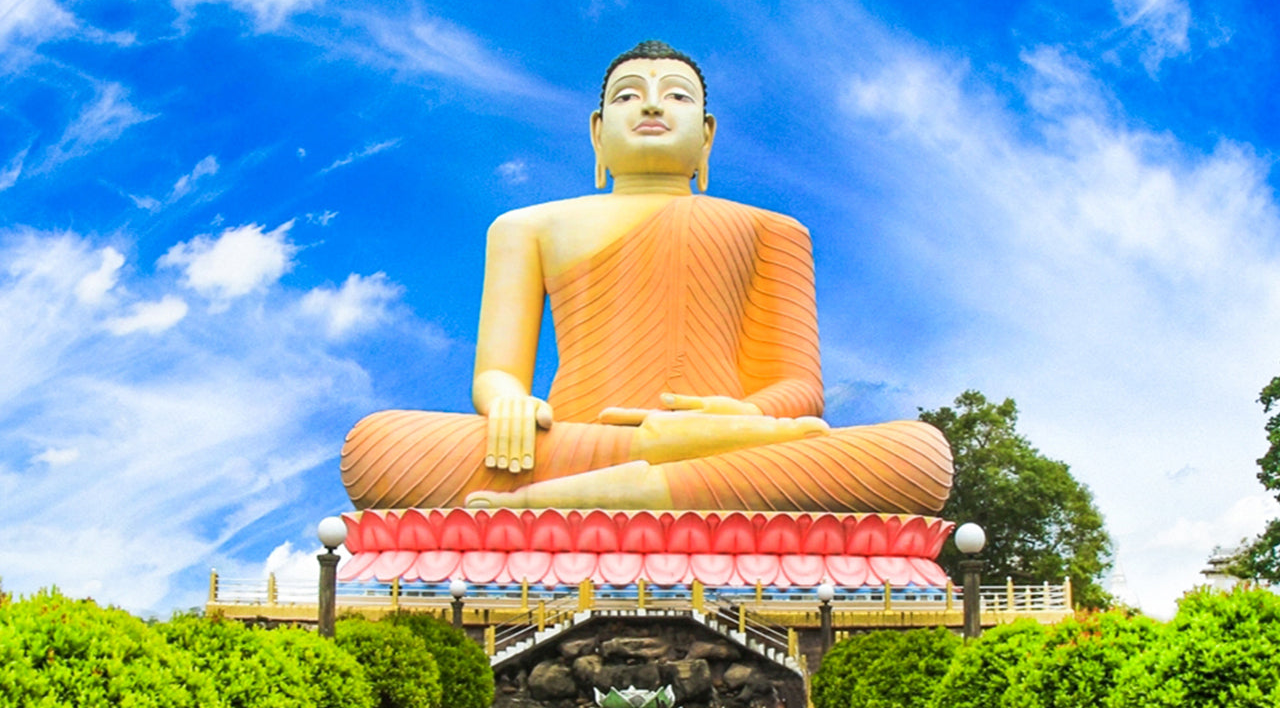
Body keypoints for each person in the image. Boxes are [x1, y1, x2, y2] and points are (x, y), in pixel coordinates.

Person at [340, 41, 952, 515]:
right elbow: (497, 373)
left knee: (918, 455)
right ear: (597, 132)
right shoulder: (527, 226)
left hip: (733, 434)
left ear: (706, 136)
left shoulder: (772, 229)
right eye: (628, 95)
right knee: (378, 446)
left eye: (677, 96)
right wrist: (507, 403)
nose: (653, 106)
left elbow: (798, 388)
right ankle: (659, 469)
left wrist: (737, 417)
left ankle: (586, 498)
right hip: (576, 442)